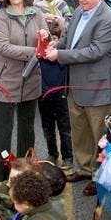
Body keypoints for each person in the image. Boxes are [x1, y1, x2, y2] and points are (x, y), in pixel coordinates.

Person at [44, 0, 111, 196]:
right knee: (80, 132)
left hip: (97, 89)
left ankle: (100, 177)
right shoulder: (77, 12)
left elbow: (95, 51)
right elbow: (69, 42)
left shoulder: (109, 18)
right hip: (76, 86)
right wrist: (54, 45)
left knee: (100, 136)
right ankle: (85, 169)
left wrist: (60, 55)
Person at [0, 0, 47, 184]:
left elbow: (45, 36)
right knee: (3, 130)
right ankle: (0, 175)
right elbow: (3, 47)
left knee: (27, 128)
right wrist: (34, 51)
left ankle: (23, 172)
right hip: (6, 79)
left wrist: (46, 38)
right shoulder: (0, 16)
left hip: (31, 78)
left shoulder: (37, 13)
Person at [37, 22, 73, 171]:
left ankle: (68, 157)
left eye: (56, 40)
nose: (53, 44)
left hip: (61, 97)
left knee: (64, 128)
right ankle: (52, 154)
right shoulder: (40, 56)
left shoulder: (62, 57)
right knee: (48, 128)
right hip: (44, 97)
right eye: (49, 40)